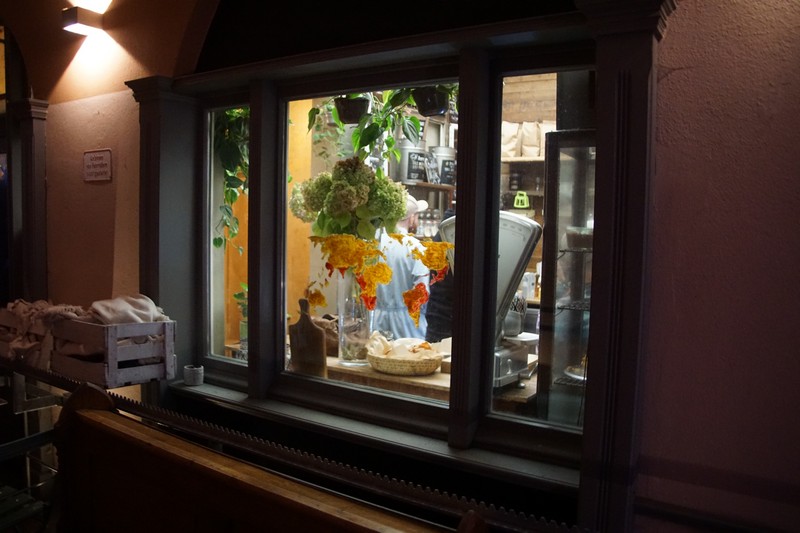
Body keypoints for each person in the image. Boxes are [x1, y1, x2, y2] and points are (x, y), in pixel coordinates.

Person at [373, 195, 430, 340]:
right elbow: (421, 293)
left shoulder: (374, 244)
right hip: (408, 326)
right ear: (411, 218)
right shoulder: (417, 248)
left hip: (375, 322)